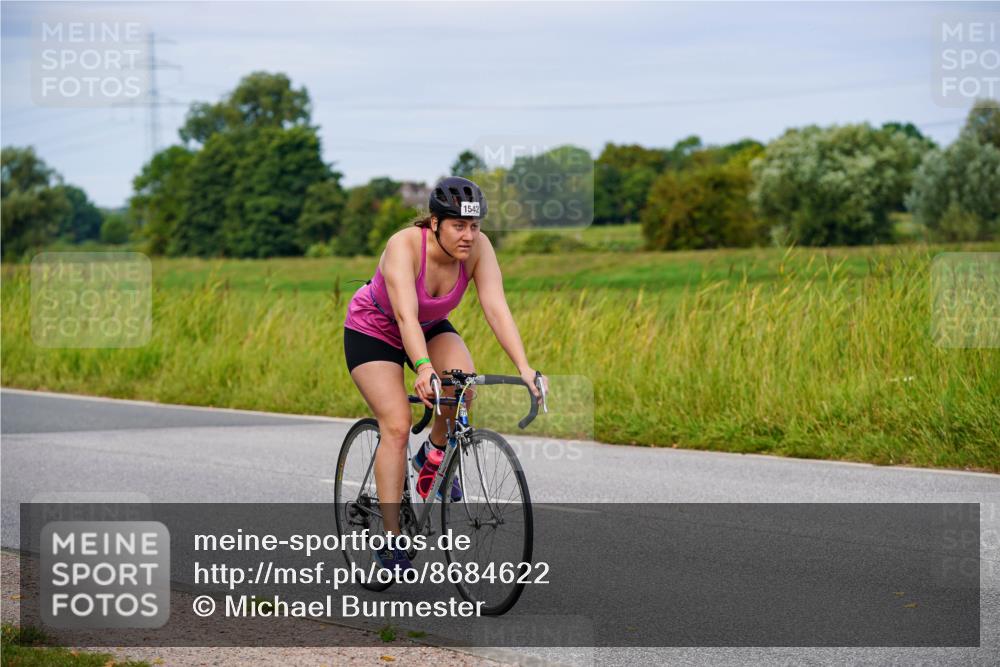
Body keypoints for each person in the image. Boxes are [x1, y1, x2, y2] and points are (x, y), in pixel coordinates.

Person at [343, 176, 547, 571]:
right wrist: (421, 368)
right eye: (458, 225)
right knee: (397, 425)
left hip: (431, 325)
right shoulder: (404, 245)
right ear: (434, 223)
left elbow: (496, 307)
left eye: (474, 226)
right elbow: (404, 314)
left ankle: (432, 456)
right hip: (375, 327)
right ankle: (390, 539)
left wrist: (525, 367)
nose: (468, 235)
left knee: (463, 386)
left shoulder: (478, 249)